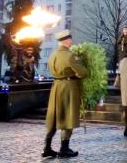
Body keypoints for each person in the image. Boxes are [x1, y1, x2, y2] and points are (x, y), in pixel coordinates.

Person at [43, 29, 88, 158]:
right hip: (68, 87)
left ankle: (47, 147)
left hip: (56, 86)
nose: (71, 42)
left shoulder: (52, 55)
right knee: (68, 115)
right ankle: (64, 148)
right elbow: (83, 73)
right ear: (67, 40)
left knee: (54, 116)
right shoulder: (70, 55)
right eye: (70, 40)